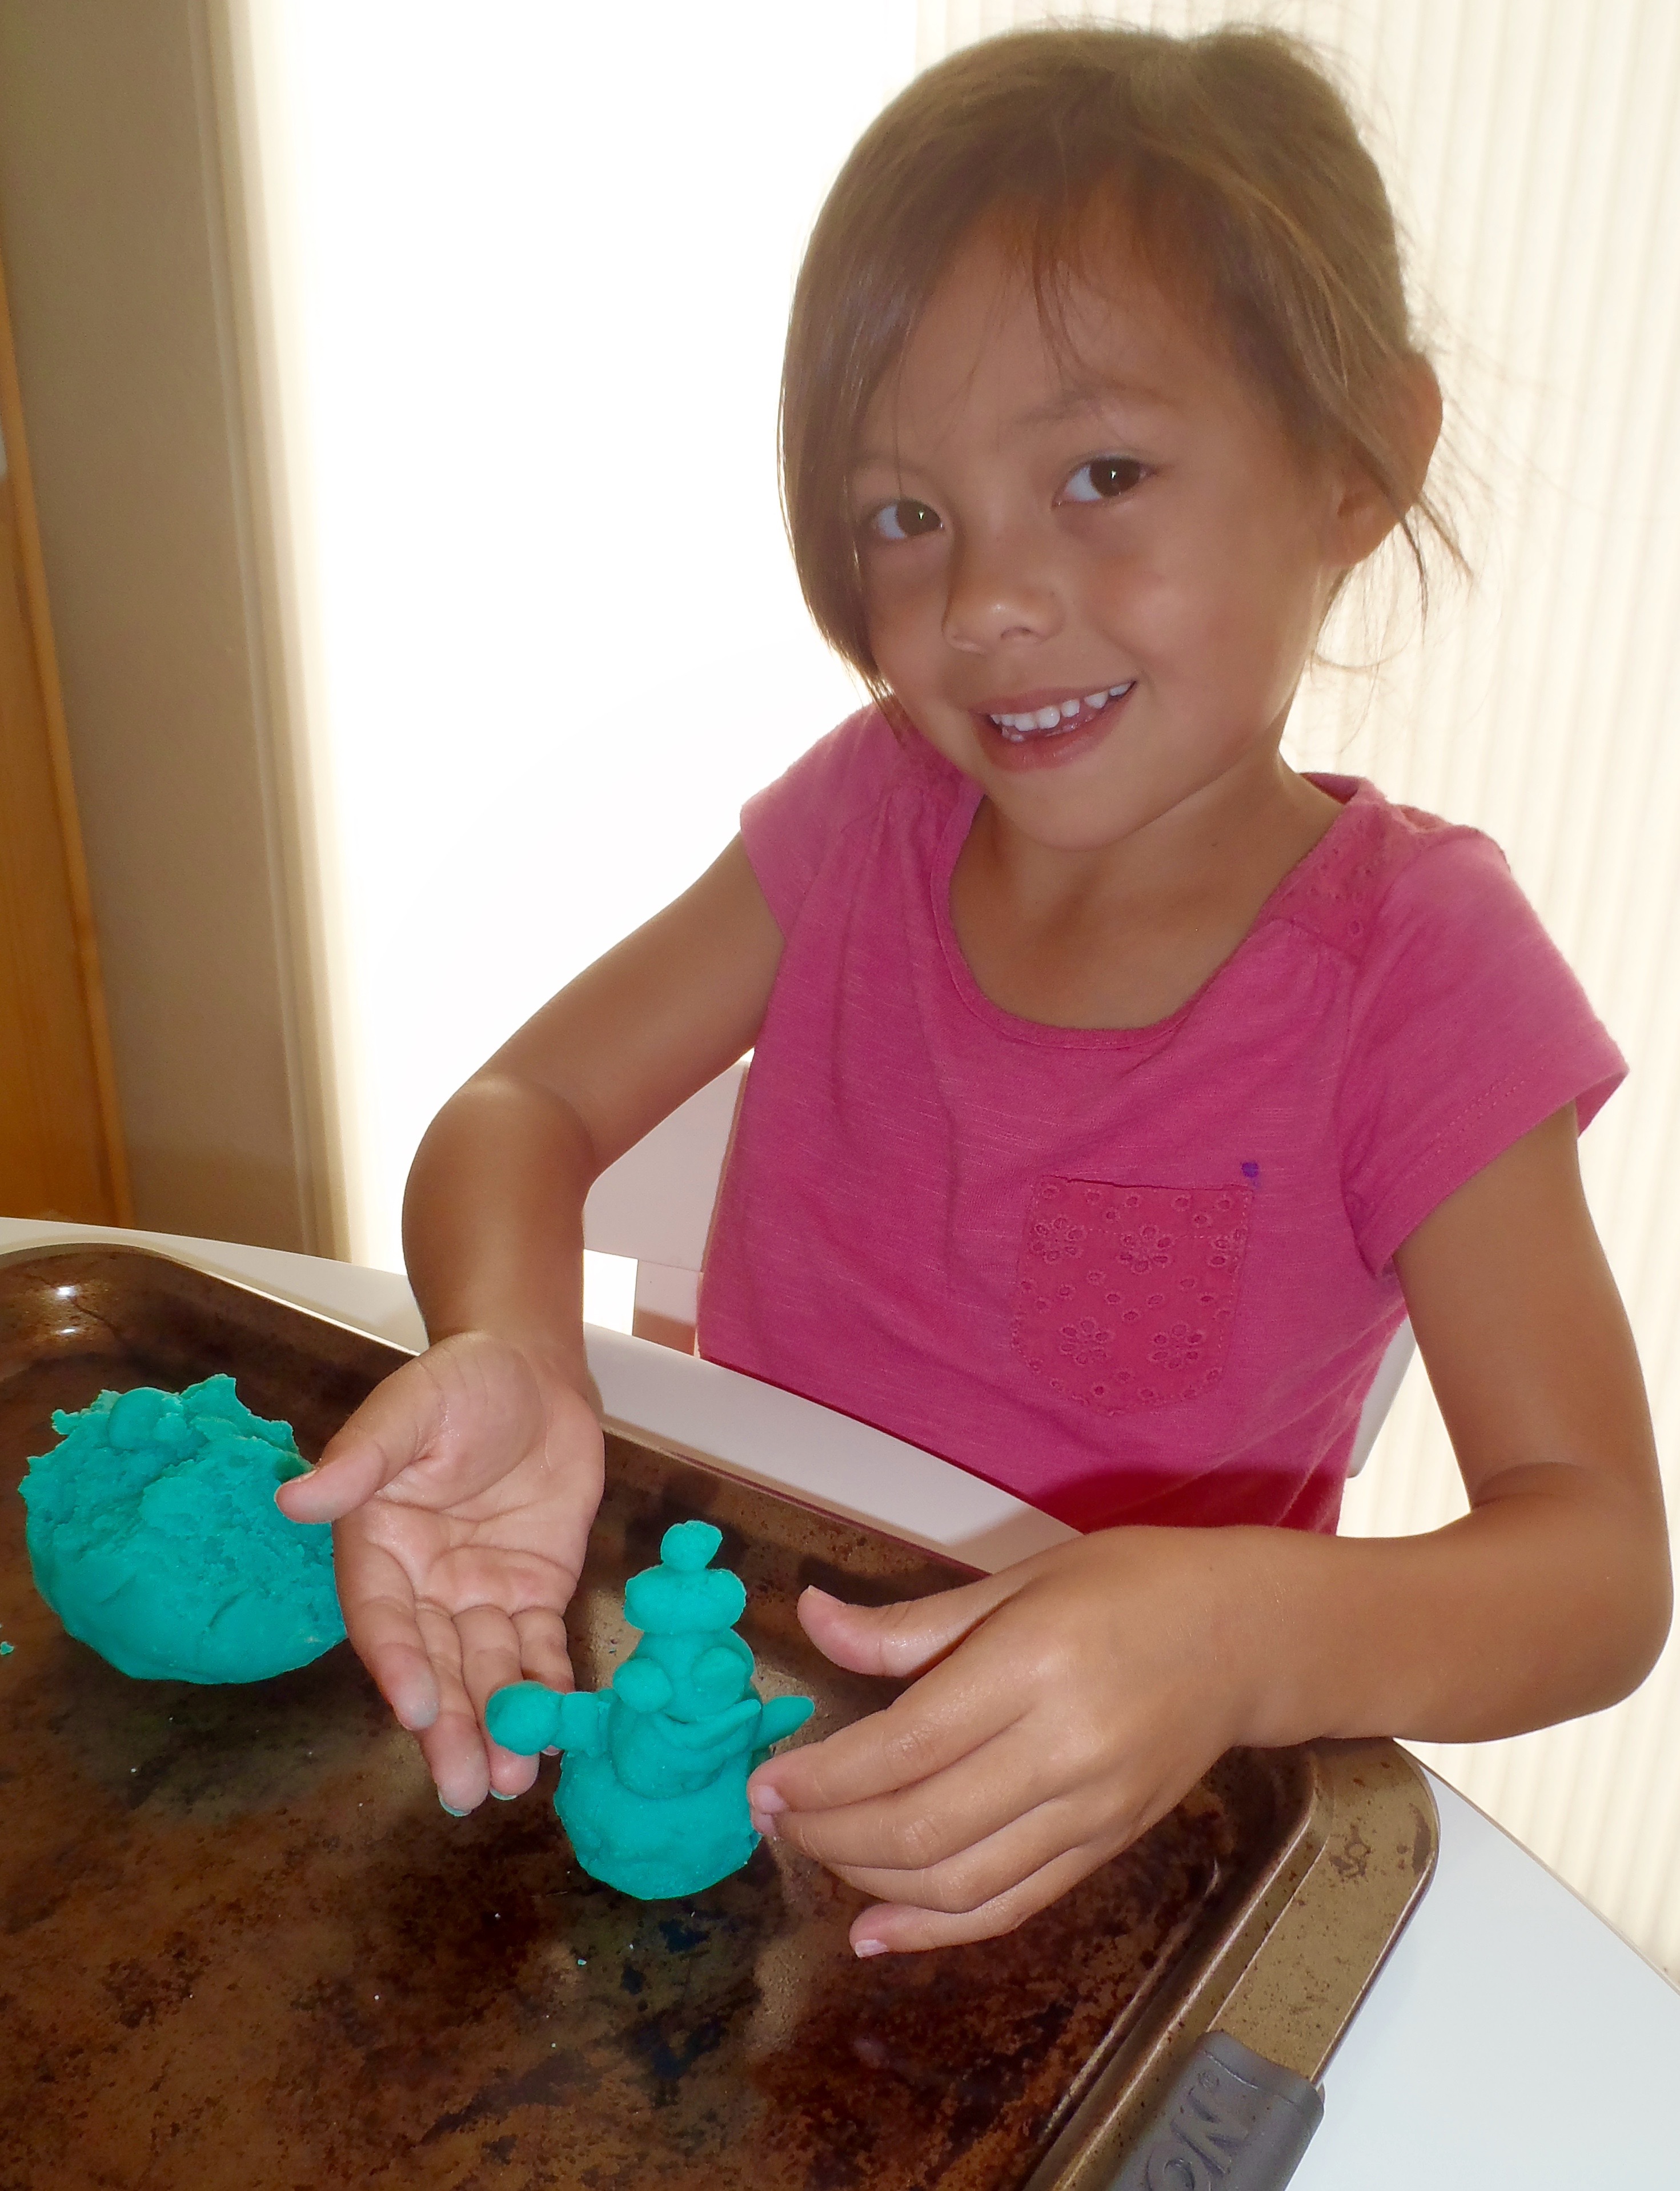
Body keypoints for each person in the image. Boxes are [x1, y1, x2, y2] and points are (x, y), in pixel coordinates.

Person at [278, 22, 1670, 1955]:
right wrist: (512, 1343)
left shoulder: (1417, 969)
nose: (987, 598)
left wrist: (1240, 1637)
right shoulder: (868, 813)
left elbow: (1600, 1567)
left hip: (1103, 1804)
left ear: (1359, 467)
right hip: (723, 1695)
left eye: (1103, 472)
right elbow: (528, 1108)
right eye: (905, 515)